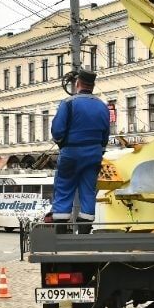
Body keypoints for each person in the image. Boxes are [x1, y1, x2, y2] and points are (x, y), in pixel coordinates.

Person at [47, 69, 111, 232]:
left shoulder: (68, 103)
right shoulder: (103, 106)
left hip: (71, 154)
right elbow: (105, 135)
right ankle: (84, 233)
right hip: (94, 155)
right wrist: (99, 150)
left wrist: (63, 144)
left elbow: (57, 131)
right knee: (88, 191)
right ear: (93, 85)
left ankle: (60, 234)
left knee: (64, 189)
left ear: (77, 84)